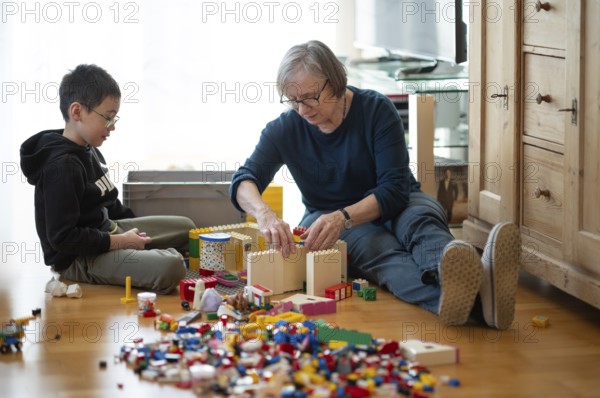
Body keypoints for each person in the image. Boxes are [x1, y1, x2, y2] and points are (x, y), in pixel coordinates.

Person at [229, 40, 521, 329]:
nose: (302, 109)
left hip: (396, 200)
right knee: (381, 253)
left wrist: (344, 217)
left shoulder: (376, 109)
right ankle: (483, 300)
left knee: (421, 222)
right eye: (293, 100)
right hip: (328, 216)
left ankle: (459, 275)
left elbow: (393, 189)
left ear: (336, 82)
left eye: (310, 97)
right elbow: (244, 179)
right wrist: (265, 214)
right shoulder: (285, 128)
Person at [20, 64, 195, 294]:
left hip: (108, 231)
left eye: (115, 118)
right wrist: (123, 243)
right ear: (77, 112)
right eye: (108, 118)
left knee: (187, 228)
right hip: (79, 257)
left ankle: (152, 256)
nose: (112, 127)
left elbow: (110, 203)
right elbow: (62, 238)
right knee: (172, 267)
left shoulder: (89, 147)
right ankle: (163, 260)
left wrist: (137, 235)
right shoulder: (62, 166)